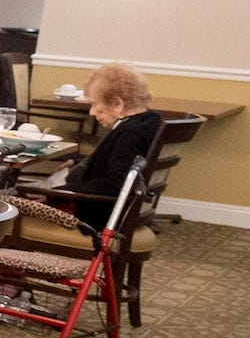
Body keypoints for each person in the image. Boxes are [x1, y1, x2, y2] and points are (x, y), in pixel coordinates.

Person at [41, 62, 163, 228]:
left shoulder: (129, 134)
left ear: (117, 104)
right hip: (122, 213)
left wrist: (60, 193)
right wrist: (77, 163)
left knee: (12, 207)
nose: (91, 112)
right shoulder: (151, 122)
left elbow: (116, 184)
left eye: (94, 104)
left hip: (93, 218)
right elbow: (117, 162)